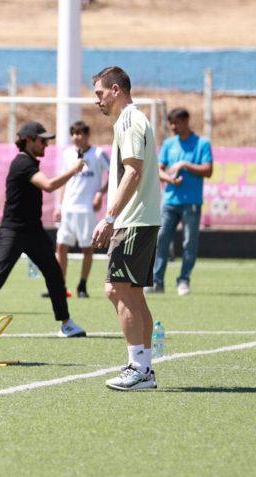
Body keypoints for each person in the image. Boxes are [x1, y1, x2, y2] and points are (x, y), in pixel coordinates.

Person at [0, 121, 87, 340]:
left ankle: (66, 323)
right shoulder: (22, 163)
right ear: (28, 140)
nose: (46, 145)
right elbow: (47, 185)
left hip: (33, 230)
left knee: (54, 273)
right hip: (14, 230)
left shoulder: (30, 161)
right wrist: (74, 171)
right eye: (42, 140)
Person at [90, 66, 162, 391]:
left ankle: (139, 368)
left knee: (118, 290)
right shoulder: (131, 121)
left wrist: (109, 217)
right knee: (128, 291)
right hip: (139, 218)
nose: (97, 101)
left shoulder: (130, 120)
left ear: (116, 89)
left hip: (134, 219)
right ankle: (143, 366)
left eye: (99, 93)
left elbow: (133, 172)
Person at [148, 107, 213, 296]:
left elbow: (208, 170)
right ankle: (157, 281)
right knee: (160, 240)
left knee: (188, 243)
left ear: (186, 121)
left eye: (176, 122)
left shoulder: (202, 144)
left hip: (191, 202)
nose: (173, 126)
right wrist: (169, 179)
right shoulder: (169, 144)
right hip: (169, 201)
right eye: (170, 123)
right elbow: (158, 170)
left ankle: (184, 280)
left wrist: (185, 165)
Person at [52, 120, 109, 299]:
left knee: (87, 248)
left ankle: (82, 285)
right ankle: (60, 286)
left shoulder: (98, 154)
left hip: (87, 210)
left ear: (87, 135)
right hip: (68, 208)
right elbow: (63, 181)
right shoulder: (67, 154)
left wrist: (100, 193)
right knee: (61, 246)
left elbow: (115, 173)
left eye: (79, 134)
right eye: (73, 134)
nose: (76, 137)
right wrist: (59, 206)